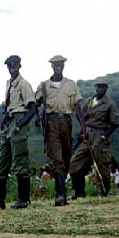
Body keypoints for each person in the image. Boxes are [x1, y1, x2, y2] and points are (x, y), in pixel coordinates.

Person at [0, 55, 36, 209]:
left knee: (20, 160)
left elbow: (32, 109)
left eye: (13, 65)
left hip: (18, 120)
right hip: (8, 122)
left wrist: (19, 125)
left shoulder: (24, 84)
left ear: (19, 66)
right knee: (0, 160)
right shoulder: (9, 83)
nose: (11, 68)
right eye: (9, 66)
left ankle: (23, 199)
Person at [36, 55, 85, 206]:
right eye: (56, 64)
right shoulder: (44, 86)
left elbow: (78, 107)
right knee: (56, 159)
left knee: (66, 158)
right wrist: (38, 120)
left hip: (67, 122)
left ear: (64, 66)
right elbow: (35, 104)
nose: (58, 66)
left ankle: (61, 191)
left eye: (61, 64)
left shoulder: (71, 85)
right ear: (51, 66)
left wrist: (83, 128)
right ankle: (61, 195)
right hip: (51, 122)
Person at [69, 77, 119, 198]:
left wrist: (103, 136)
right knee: (75, 163)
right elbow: (82, 118)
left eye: (102, 86)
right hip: (86, 134)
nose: (99, 89)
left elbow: (114, 123)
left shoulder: (110, 104)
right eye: (97, 86)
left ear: (106, 88)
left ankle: (105, 192)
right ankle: (79, 192)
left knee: (102, 164)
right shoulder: (89, 101)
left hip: (100, 134)